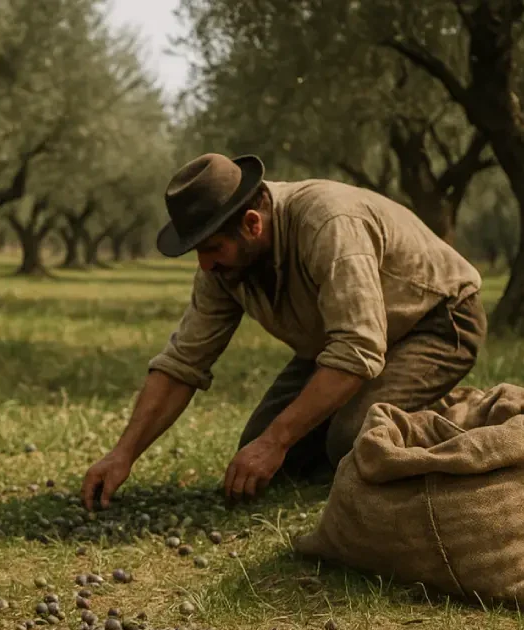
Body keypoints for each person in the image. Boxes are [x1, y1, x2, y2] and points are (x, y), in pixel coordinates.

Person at [82, 152, 485, 509]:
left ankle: (461, 416)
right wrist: (123, 453)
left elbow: (357, 348)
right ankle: (383, 408)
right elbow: (183, 362)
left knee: (350, 440)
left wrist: (276, 441)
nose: (204, 265)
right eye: (198, 252)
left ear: (252, 224)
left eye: (213, 248)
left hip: (436, 322)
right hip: (345, 342)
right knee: (265, 455)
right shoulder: (223, 267)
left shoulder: (329, 222)